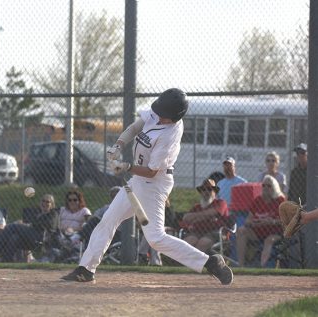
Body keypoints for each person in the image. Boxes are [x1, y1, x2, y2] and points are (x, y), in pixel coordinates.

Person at [61, 88, 233, 285]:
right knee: (108, 219)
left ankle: (210, 262)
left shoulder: (170, 137)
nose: (158, 116)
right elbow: (135, 127)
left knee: (155, 239)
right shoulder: (157, 112)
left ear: (175, 117)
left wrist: (125, 167)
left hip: (155, 185)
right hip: (138, 181)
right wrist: (118, 145)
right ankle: (86, 269)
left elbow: (151, 171)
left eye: (164, 115)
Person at [0, 194, 59, 262]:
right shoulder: (38, 214)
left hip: (41, 237)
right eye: (43, 201)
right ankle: (7, 261)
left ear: (52, 205)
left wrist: (30, 224)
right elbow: (32, 223)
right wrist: (26, 224)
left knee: (13, 226)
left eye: (47, 202)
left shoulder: (53, 214)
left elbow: (49, 225)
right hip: (31, 237)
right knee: (14, 238)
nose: (45, 203)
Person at [236, 175, 286, 267]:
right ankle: (241, 265)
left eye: (269, 186)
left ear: (275, 187)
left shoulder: (280, 200)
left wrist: (272, 221)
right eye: (264, 185)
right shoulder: (258, 200)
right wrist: (251, 223)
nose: (266, 188)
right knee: (241, 230)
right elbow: (248, 219)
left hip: (276, 232)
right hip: (258, 231)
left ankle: (262, 267)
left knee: (268, 240)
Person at [181, 179, 228, 252]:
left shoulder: (220, 203)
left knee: (202, 243)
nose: (206, 191)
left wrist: (196, 217)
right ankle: (186, 262)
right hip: (197, 231)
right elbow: (186, 218)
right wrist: (206, 215)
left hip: (215, 232)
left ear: (214, 192)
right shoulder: (197, 207)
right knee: (188, 242)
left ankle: (193, 262)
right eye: (203, 189)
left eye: (209, 189)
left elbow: (215, 212)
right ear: (201, 192)